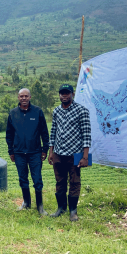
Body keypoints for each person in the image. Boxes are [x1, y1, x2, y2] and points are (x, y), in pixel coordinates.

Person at [48, 84, 91, 222]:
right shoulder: (56, 111)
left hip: (75, 154)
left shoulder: (82, 111)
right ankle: (61, 208)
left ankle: (73, 211)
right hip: (59, 153)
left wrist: (85, 157)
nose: (64, 96)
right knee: (59, 182)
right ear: (59, 95)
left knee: (74, 182)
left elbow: (86, 135)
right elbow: (53, 132)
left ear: (72, 94)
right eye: (62, 93)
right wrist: (51, 152)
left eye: (67, 93)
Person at [6, 88, 49, 216]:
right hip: (19, 152)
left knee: (37, 179)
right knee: (22, 179)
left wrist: (45, 149)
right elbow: (9, 134)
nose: (23, 98)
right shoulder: (13, 113)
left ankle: (40, 206)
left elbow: (44, 133)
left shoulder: (38, 112)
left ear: (30, 97)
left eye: (26, 96)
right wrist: (11, 151)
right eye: (21, 96)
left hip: (35, 152)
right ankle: (26, 203)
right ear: (18, 98)